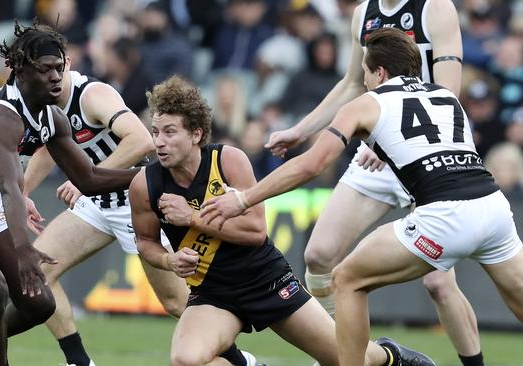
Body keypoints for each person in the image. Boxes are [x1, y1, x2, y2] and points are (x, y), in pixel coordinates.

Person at [200, 27, 523, 366]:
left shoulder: (368, 103)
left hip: (444, 218)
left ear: (379, 72)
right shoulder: (447, 97)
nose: (364, 82)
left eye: (366, 74)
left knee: (347, 280)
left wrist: (244, 199)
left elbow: (312, 165)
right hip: (494, 209)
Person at [131, 75, 436, 366]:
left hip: (265, 279)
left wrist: (193, 217)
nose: (159, 142)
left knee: (346, 359)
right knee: (185, 360)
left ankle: (389, 356)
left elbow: (255, 231)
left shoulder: (227, 161)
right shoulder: (146, 185)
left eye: (170, 132)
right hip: (213, 293)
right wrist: (169, 262)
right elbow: (145, 242)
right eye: (155, 132)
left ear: (196, 134)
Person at [264, 1, 486, 365]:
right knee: (318, 257)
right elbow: (353, 83)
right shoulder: (361, 14)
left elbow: (448, 93)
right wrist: (300, 130)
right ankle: (355, 357)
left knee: (439, 284)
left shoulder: (436, 8)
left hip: (429, 153)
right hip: (378, 151)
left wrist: (397, 137)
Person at [0, 21, 137, 366]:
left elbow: (89, 178)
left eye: (60, 68)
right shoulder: (2, 116)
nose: (57, 77)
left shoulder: (52, 117)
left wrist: (152, 176)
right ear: (20, 71)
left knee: (40, 303)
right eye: (46, 70)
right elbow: (11, 188)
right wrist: (23, 247)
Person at [18, 58, 257, 366]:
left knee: (176, 302)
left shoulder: (92, 95)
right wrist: (22, 192)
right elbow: (49, 146)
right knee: (37, 271)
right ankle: (78, 361)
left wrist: (87, 180)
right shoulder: (47, 104)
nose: (43, 77)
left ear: (64, 65)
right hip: (96, 204)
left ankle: (242, 362)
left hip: (133, 200)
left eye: (49, 68)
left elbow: (142, 140)